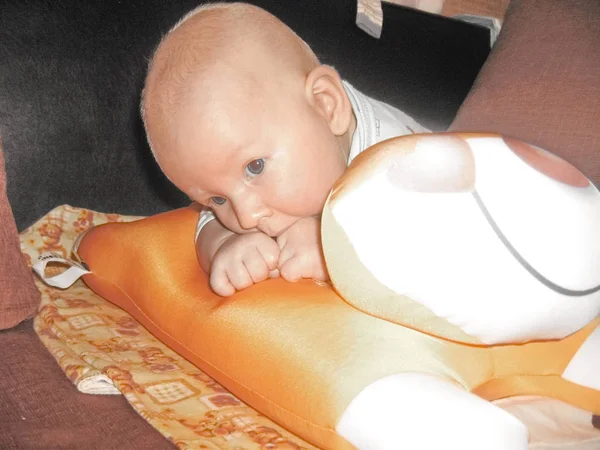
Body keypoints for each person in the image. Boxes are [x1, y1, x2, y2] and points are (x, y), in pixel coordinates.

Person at [141, 2, 429, 296]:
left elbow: (442, 258)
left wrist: (335, 246)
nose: (247, 217)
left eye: (255, 167)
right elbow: (206, 222)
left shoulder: (405, 161)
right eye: (217, 198)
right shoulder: (265, 152)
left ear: (326, 106)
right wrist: (223, 244)